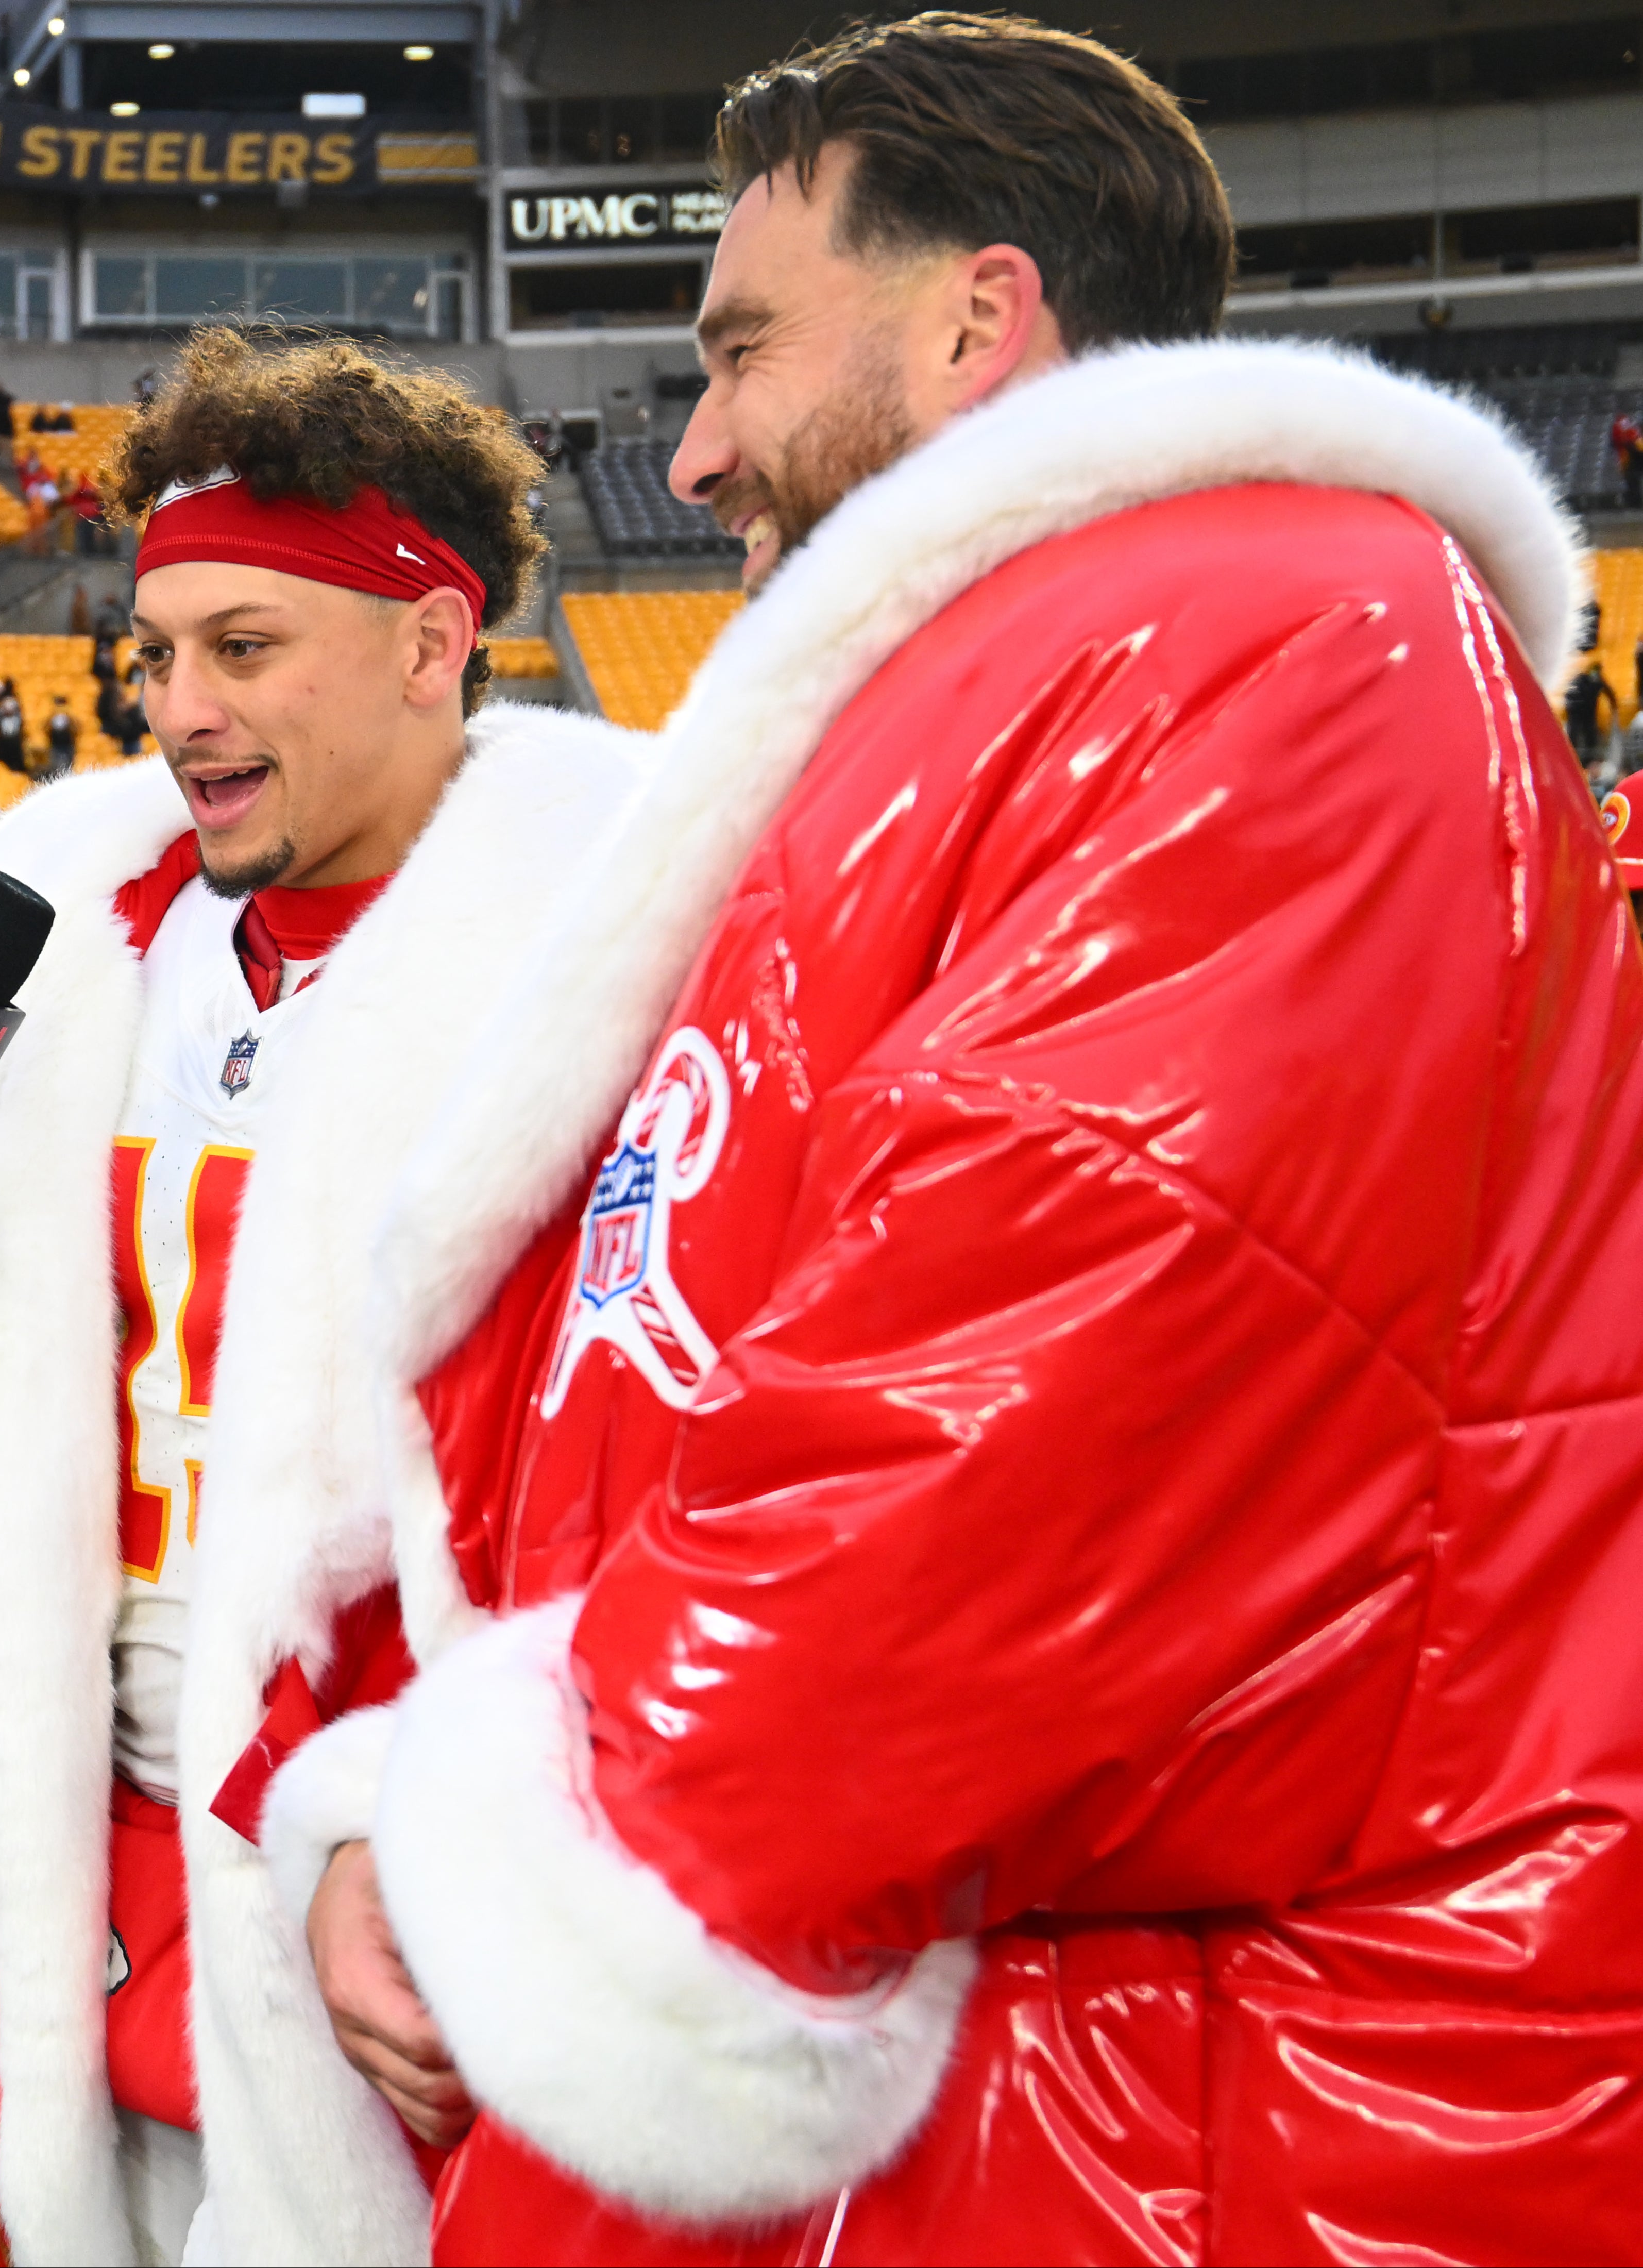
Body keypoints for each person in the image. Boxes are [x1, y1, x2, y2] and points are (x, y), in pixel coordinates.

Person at [245, 19, 1643, 2265]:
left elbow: (1007, 1424)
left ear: (977, 320)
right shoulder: (1004, 694)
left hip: (1198, 2118)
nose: (688, 451)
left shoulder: (1282, 637)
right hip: (994, 2070)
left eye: (738, 351)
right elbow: (650, 1356)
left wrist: (523, 1857)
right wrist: (386, 1783)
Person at [0, 330, 637, 2265]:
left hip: (411, 1887)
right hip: (79, 1871)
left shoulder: (622, 973)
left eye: (242, 646)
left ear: (427, 637)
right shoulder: (79, 952)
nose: (179, 709)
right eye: (153, 654)